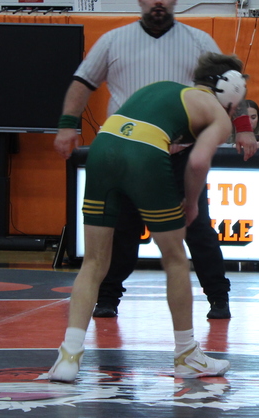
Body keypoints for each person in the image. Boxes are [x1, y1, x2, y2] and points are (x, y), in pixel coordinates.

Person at [53, 0, 256, 321]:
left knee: (196, 228)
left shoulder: (197, 40)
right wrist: (67, 126)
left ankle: (218, 298)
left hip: (177, 154)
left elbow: (231, 84)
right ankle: (108, 298)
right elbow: (82, 81)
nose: (158, 0)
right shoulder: (114, 40)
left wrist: (243, 129)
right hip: (131, 156)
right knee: (124, 231)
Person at [45, 52, 246, 383]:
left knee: (94, 263)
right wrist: (192, 203)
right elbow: (197, 163)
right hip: (144, 156)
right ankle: (186, 356)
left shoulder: (161, 88)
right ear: (232, 92)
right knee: (176, 260)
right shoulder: (218, 115)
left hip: (102, 148)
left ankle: (68, 356)